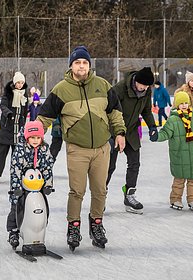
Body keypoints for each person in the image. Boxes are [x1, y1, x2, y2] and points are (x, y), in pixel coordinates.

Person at [36, 46, 126, 250]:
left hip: (103, 147)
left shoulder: (102, 85)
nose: (82, 66)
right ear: (71, 66)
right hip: (77, 149)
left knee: (100, 190)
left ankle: (97, 224)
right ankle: (73, 226)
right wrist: (34, 134)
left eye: (85, 62)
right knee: (77, 191)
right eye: (78, 62)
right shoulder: (61, 89)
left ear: (89, 65)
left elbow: (114, 112)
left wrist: (120, 133)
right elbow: (45, 116)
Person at [106, 66, 157, 215]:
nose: (145, 88)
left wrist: (152, 126)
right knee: (109, 166)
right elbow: (109, 110)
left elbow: (146, 110)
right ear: (136, 81)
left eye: (148, 86)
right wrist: (114, 132)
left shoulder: (147, 92)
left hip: (132, 131)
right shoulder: (120, 88)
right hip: (113, 131)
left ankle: (129, 195)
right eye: (143, 85)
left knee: (134, 163)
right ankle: (100, 197)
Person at [150, 91, 193, 211]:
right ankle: (175, 199)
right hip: (178, 155)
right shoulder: (173, 120)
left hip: (192, 155)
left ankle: (192, 199)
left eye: (186, 103)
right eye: (181, 103)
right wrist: (156, 136)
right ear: (177, 105)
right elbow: (165, 133)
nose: (184, 105)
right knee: (179, 179)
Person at [6, 121, 54, 249]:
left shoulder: (44, 149)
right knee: (16, 207)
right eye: (33, 137)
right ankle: (13, 231)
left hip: (38, 186)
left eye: (38, 137)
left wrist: (48, 185)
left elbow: (47, 167)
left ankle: (39, 230)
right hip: (22, 186)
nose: (35, 140)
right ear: (27, 137)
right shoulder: (21, 149)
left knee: (42, 207)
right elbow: (15, 169)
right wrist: (16, 189)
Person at [0, 71, 28, 183]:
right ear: (14, 82)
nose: (20, 85)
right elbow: (2, 105)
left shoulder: (24, 94)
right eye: (18, 83)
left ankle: (17, 173)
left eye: (22, 83)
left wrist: (23, 123)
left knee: (17, 153)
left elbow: (25, 111)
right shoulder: (8, 93)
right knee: (1, 152)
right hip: (7, 127)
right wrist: (8, 114)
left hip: (18, 128)